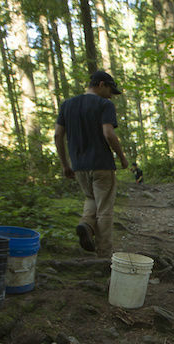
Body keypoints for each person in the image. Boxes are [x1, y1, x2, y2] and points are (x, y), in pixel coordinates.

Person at [54, 70, 128, 258]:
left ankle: (86, 225)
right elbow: (109, 133)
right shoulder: (104, 105)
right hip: (102, 164)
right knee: (105, 210)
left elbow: (57, 135)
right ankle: (104, 253)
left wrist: (65, 165)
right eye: (111, 89)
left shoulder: (67, 105)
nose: (111, 95)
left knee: (91, 199)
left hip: (79, 166)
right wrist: (122, 157)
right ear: (101, 84)